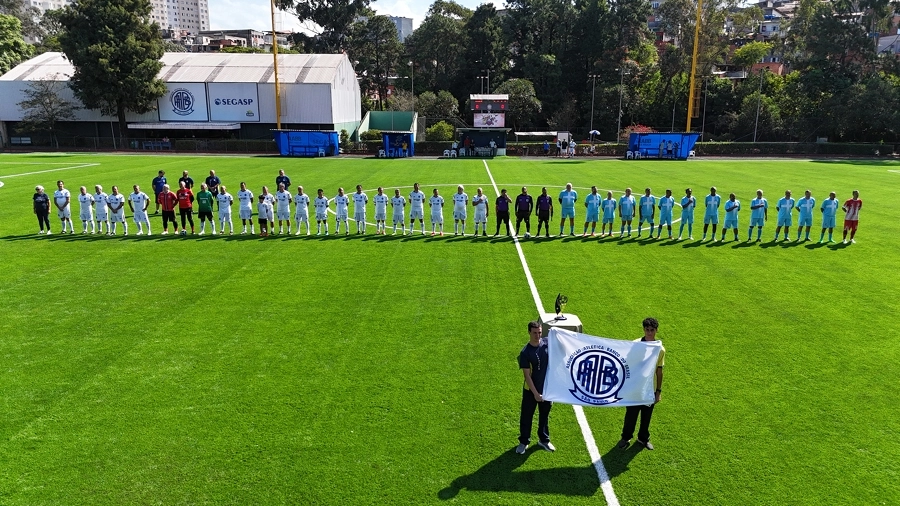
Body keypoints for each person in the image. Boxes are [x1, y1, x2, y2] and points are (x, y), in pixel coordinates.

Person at [618, 317, 665, 451]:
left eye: (652, 330)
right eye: (647, 330)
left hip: (649, 390)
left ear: (656, 330)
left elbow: (659, 371)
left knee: (646, 416)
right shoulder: (635, 344)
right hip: (634, 389)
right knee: (631, 415)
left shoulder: (660, 349)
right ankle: (625, 437)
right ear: (643, 330)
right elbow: (628, 365)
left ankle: (643, 438)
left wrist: (658, 391)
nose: (649, 333)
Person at [517, 320, 554, 454]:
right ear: (529, 332)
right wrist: (536, 394)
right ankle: (523, 442)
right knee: (526, 416)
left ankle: (544, 440)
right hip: (530, 391)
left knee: (544, 416)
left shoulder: (546, 342)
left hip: (546, 389)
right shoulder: (525, 353)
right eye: (534, 333)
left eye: (539, 332)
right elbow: (527, 376)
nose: (537, 336)